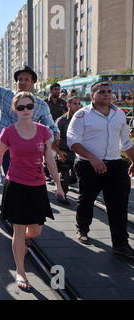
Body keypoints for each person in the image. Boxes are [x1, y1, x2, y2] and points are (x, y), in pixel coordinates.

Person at [0, 92, 65, 292]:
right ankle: (20, 270)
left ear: (34, 108)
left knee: (35, 230)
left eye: (28, 106)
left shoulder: (43, 131)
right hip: (16, 184)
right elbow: (0, 153)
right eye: (21, 107)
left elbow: (49, 159)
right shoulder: (8, 131)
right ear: (15, 110)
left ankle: (21, 244)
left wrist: (58, 184)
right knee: (18, 230)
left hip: (37, 185)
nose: (25, 110)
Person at [67, 82, 134, 258]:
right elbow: (72, 141)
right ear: (92, 95)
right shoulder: (82, 115)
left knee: (119, 205)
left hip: (115, 164)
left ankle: (120, 244)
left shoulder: (119, 114)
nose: (106, 94)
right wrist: (92, 158)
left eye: (109, 92)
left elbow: (125, 142)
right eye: (101, 92)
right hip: (88, 165)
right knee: (87, 199)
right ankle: (82, 228)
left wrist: (133, 161)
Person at [0, 66, 60, 175]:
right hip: (7, 150)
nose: (22, 82)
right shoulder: (6, 95)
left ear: (32, 82)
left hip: (29, 152)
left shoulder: (41, 105)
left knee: (27, 183)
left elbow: (50, 126)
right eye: (20, 79)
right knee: (11, 180)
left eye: (26, 79)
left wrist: (55, 136)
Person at [53, 96, 82, 205]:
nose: (78, 106)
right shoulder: (61, 121)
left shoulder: (82, 119)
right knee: (64, 176)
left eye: (79, 104)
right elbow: (54, 139)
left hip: (78, 152)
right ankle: (62, 195)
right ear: (69, 105)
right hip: (64, 152)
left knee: (76, 177)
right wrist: (59, 152)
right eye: (75, 103)